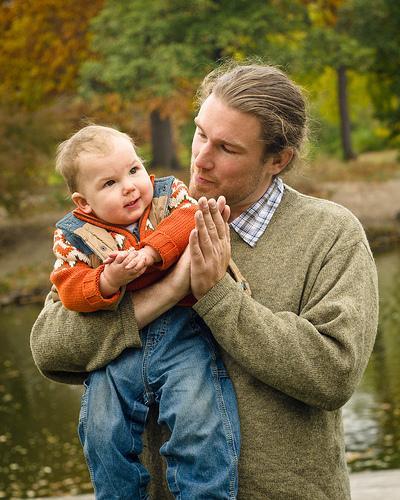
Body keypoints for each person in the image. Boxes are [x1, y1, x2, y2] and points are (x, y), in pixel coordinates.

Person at [31, 62, 379, 499]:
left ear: (278, 159)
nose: (201, 157)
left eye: (227, 148)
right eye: (200, 133)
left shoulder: (330, 233)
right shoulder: (138, 218)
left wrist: (217, 296)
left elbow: (333, 373)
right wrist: (166, 292)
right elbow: (50, 348)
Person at [46, 124, 240, 499]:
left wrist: (151, 251)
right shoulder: (73, 235)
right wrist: (107, 278)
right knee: (102, 430)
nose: (130, 186)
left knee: (199, 418)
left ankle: (206, 494)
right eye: (109, 183)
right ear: (83, 202)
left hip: (183, 331)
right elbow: (69, 287)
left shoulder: (170, 196)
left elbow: (189, 222)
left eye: (134, 170)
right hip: (116, 351)